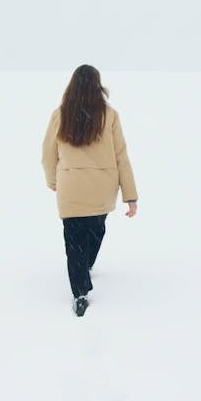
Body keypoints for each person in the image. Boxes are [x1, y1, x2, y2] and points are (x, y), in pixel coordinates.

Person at [41, 65, 138, 316]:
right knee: (95, 230)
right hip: (102, 189)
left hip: (71, 188)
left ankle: (80, 291)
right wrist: (130, 196)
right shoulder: (110, 115)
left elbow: (47, 154)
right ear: (98, 86)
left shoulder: (60, 114)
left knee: (73, 241)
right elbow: (121, 157)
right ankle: (86, 266)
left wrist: (53, 181)